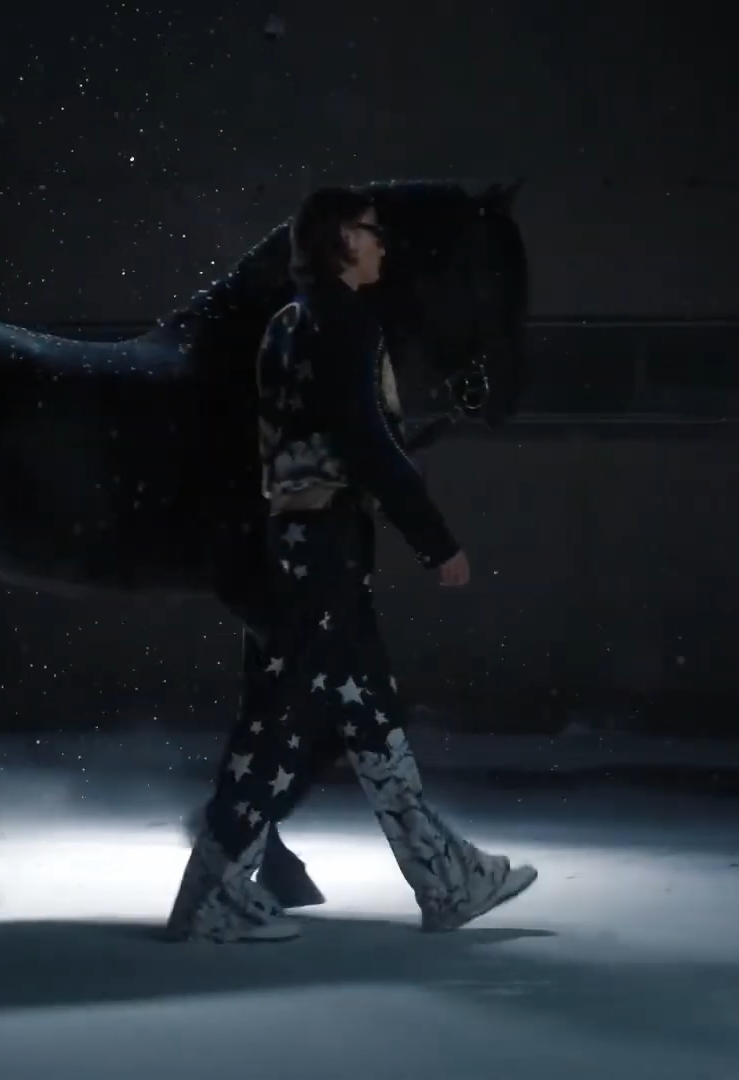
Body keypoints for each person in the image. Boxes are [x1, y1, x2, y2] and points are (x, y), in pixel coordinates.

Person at [166, 187, 537, 942]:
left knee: (366, 716)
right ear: (337, 241)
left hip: (293, 543)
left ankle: (446, 879)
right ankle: (212, 896)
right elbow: (367, 444)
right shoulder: (347, 323)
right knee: (278, 723)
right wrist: (435, 540)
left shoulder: (288, 323)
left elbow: (307, 438)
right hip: (324, 549)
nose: (381, 243)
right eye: (368, 231)